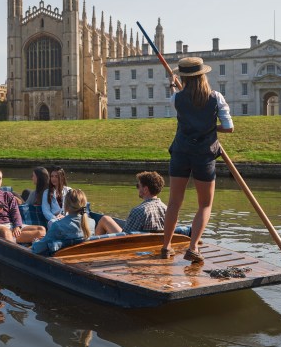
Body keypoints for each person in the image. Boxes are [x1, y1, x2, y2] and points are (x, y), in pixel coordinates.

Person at [161, 57, 234, 263]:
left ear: (183, 77)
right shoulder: (216, 97)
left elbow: (182, 105)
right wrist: (211, 128)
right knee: (205, 204)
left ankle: (166, 247)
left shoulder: (176, 99)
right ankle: (193, 247)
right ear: (203, 75)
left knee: (174, 202)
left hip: (181, 152)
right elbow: (229, 127)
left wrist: (175, 88)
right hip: (204, 155)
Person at [94, 171, 175, 235]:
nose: (137, 189)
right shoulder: (166, 209)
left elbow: (125, 236)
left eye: (138, 186)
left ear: (145, 189)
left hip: (132, 245)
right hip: (153, 244)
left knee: (105, 219)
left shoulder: (139, 210)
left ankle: (93, 249)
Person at [32, 188, 91, 255]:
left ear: (66, 206)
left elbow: (37, 249)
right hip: (82, 256)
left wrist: (35, 242)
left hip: (60, 260)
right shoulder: (91, 223)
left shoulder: (58, 226)